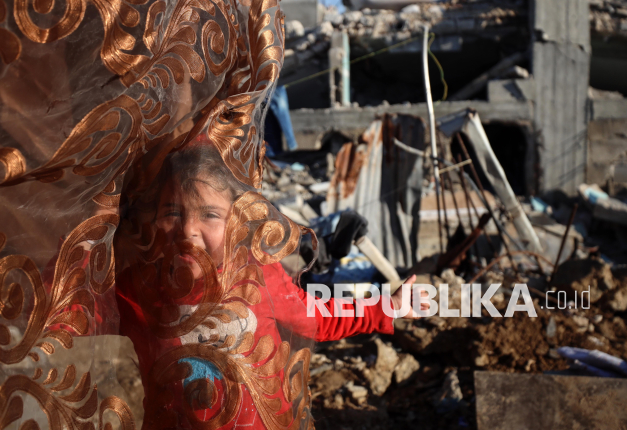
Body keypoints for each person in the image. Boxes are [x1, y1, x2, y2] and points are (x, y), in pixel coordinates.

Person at [112, 141, 429, 429]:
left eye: (209, 215)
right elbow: (74, 319)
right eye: (172, 213)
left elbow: (317, 317)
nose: (188, 230)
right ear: (151, 220)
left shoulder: (258, 278)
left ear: (237, 222)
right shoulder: (134, 290)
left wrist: (388, 305)